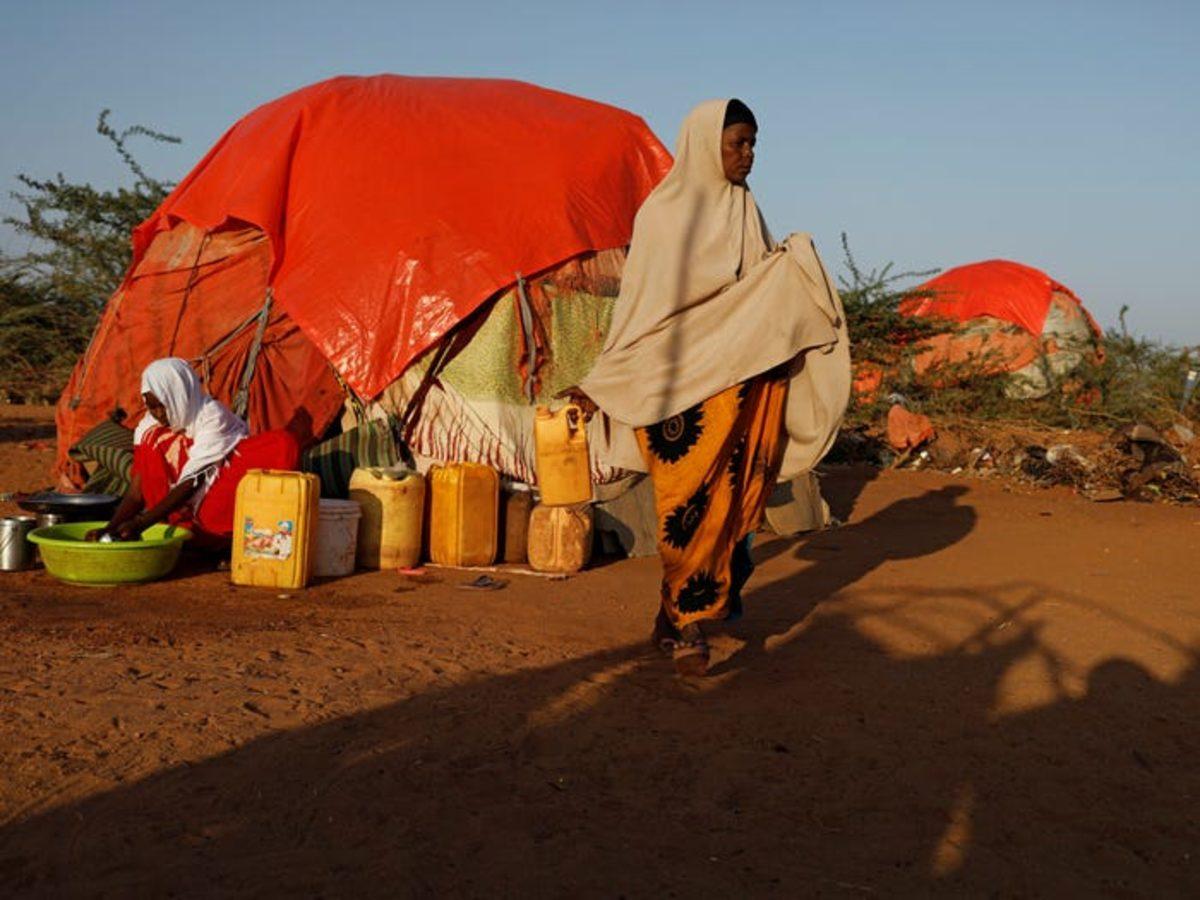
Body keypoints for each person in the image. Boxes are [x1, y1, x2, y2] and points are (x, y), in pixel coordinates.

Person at [575, 98, 851, 676]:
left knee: (733, 516)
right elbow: (643, 316)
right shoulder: (663, 217)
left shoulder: (745, 211)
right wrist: (607, 382)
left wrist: (794, 269)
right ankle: (688, 627)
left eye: (753, 145)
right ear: (707, 145)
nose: (748, 156)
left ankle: (671, 617)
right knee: (689, 511)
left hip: (737, 392)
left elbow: (757, 303)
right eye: (738, 144)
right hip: (678, 397)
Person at [89, 358, 300, 545]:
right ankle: (185, 531)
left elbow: (192, 481)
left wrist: (141, 523)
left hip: (217, 482)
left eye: (162, 406)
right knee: (153, 441)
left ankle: (222, 542)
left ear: (179, 395)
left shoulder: (211, 416)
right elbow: (137, 489)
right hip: (178, 503)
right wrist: (110, 527)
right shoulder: (149, 427)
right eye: (152, 407)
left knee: (282, 444)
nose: (158, 414)